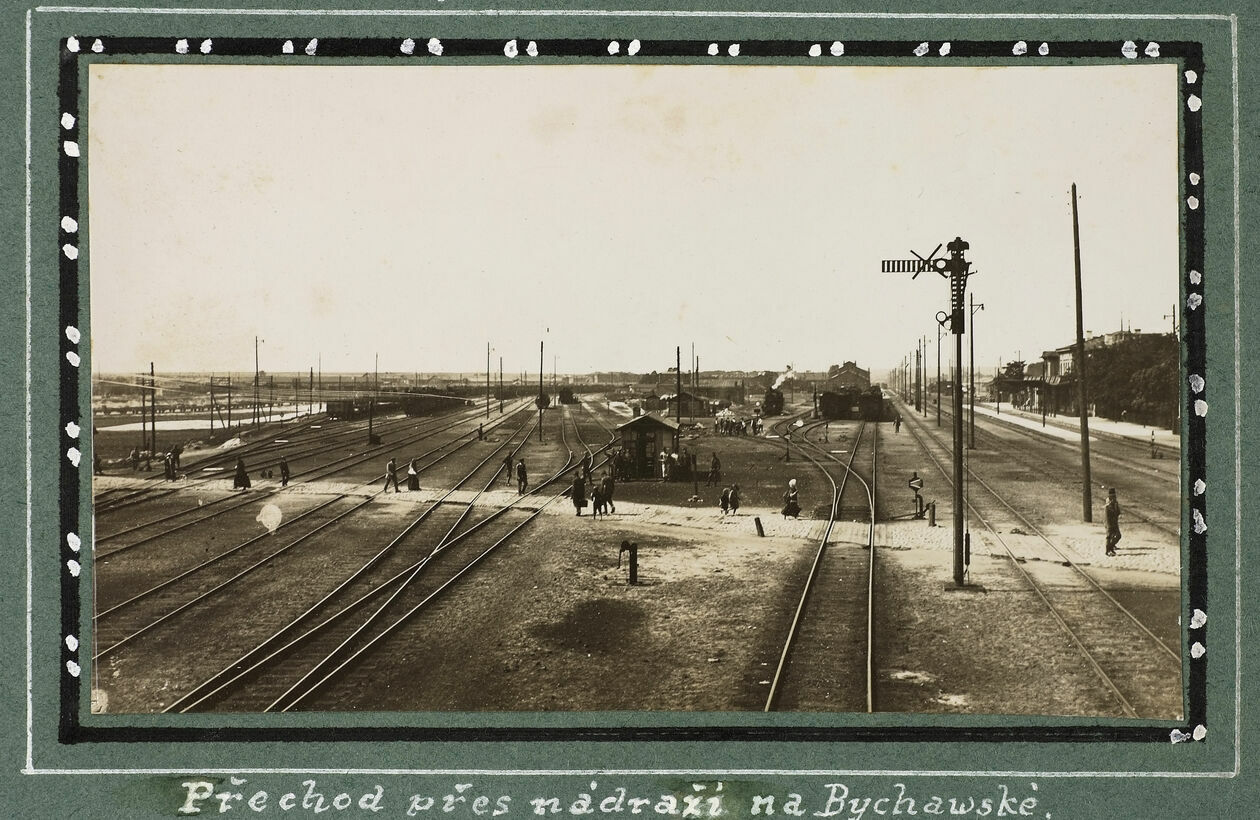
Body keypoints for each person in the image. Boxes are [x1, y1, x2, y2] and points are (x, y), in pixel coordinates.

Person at [1104, 487, 1122, 556]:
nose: (1114, 498)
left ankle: (1111, 547)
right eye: (1112, 497)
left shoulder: (1115, 503)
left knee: (1118, 536)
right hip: (1109, 524)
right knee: (1109, 537)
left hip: (1115, 522)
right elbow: (1106, 518)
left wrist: (1119, 514)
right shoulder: (1107, 507)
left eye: (1114, 496)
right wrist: (1108, 526)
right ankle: (1108, 550)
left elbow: (1117, 511)